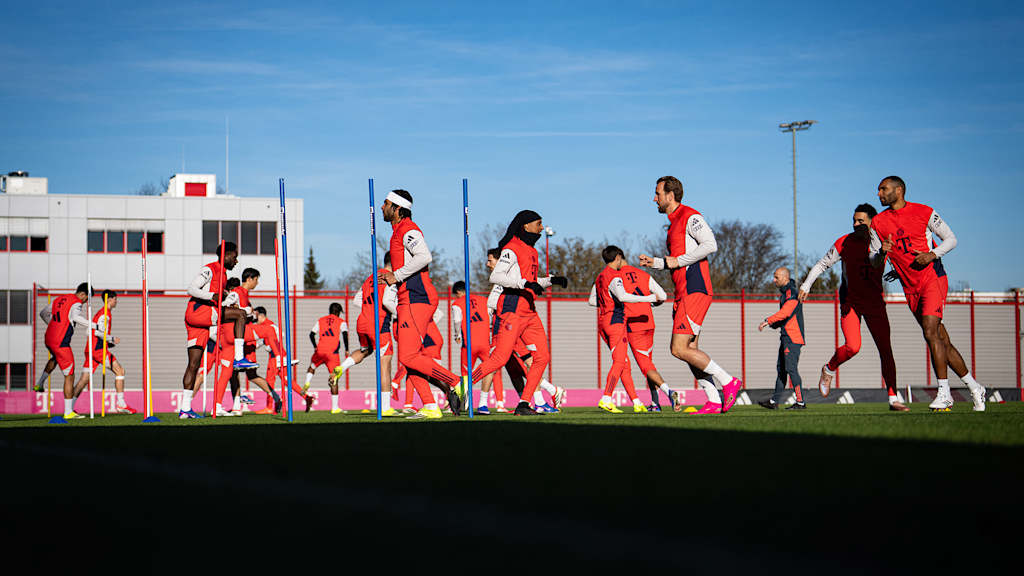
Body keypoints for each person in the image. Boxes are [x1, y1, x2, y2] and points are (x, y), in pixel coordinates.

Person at [869, 176, 985, 411]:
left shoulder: (924, 211)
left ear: (899, 190)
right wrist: (881, 253)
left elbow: (951, 239)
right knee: (941, 341)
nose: (879, 194)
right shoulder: (878, 223)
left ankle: (944, 393)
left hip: (933, 279)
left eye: (884, 189)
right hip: (910, 289)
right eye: (879, 190)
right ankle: (975, 387)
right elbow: (873, 260)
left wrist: (932, 254)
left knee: (930, 332)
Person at [639, 176, 743, 414]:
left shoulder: (691, 216)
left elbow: (710, 245)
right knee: (691, 351)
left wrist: (676, 260)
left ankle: (728, 382)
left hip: (694, 290)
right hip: (683, 293)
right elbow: (677, 261)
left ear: (670, 195)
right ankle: (714, 400)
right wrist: (656, 262)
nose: (654, 198)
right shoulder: (672, 225)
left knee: (678, 349)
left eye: (657, 193)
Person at [799, 204, 907, 411]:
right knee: (853, 347)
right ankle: (829, 369)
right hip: (851, 302)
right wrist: (806, 285)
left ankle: (893, 398)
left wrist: (896, 267)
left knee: (886, 350)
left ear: (872, 223)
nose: (856, 224)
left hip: (875, 303)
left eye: (861, 221)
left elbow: (879, 260)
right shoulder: (844, 242)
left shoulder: (881, 241)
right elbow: (822, 264)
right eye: (854, 220)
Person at [470, 210, 568, 415]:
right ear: (526, 225)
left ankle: (524, 403)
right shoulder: (511, 248)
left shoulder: (533, 251)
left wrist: (551, 281)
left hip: (529, 310)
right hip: (512, 308)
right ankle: (461, 386)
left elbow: (531, 281)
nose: (542, 228)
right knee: (500, 357)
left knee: (542, 357)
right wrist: (525, 283)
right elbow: (496, 276)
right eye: (539, 223)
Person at [378, 189, 462, 420]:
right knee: (410, 357)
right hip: (409, 298)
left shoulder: (408, 230)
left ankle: (455, 382)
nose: (381, 207)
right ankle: (430, 406)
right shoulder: (397, 232)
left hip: (418, 298)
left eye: (385, 204)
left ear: (397, 208)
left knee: (408, 357)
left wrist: (397, 275)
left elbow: (424, 256)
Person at [180, 242, 256, 419]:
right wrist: (213, 296)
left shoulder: (223, 276)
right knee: (240, 316)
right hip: (199, 311)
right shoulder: (210, 269)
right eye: (235, 257)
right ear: (227, 255)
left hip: (201, 319)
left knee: (194, 365)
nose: (236, 261)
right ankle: (238, 358)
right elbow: (191, 289)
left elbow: (218, 303)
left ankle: (185, 409)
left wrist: (225, 302)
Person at [484, 246, 564, 413]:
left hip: (507, 325)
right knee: (516, 369)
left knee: (502, 363)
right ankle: (538, 399)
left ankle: (472, 394)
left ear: (501, 261)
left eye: (490, 260)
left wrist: (550, 281)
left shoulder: (505, 280)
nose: (487, 263)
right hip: (508, 323)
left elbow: (492, 304)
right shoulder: (507, 279)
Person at [589, 245, 659, 413]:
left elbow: (592, 301)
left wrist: (607, 302)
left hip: (603, 323)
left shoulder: (600, 277)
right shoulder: (615, 276)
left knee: (624, 364)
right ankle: (606, 398)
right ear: (618, 257)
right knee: (620, 362)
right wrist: (648, 298)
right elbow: (622, 296)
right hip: (616, 322)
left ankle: (636, 402)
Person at [334, 252, 401, 416]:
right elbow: (386, 301)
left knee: (366, 349)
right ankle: (385, 408)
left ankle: (341, 367)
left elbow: (357, 300)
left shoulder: (370, 277)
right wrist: (399, 314)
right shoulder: (390, 278)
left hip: (362, 322)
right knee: (386, 363)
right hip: (378, 323)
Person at [618, 257, 679, 411]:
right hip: (649, 323)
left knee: (645, 366)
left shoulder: (616, 276)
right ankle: (655, 402)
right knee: (649, 364)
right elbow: (663, 296)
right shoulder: (643, 274)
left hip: (633, 325)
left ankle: (669, 392)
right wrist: (650, 302)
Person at [71, 290, 135, 414]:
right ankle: (121, 404)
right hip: (98, 350)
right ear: (110, 299)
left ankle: (69, 407)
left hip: (91, 349)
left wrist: (108, 342)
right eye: (115, 299)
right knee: (120, 371)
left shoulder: (102, 313)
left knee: (84, 380)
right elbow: (97, 332)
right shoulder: (105, 314)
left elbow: (90, 332)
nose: (116, 301)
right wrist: (111, 338)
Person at [40, 282, 92, 419]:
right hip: (61, 342)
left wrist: (53, 325)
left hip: (49, 338)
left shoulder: (59, 299)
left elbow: (43, 313)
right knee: (69, 375)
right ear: (82, 294)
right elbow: (76, 317)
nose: (86, 302)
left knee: (56, 358)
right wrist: (94, 325)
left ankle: (39, 383)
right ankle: (68, 412)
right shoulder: (76, 302)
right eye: (87, 299)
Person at [758, 268, 806, 410]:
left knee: (791, 369)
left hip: (792, 338)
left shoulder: (792, 292)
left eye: (776, 277)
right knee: (781, 370)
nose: (774, 280)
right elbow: (786, 317)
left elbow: (785, 313)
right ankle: (774, 402)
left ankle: (800, 402)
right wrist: (774, 324)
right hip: (786, 337)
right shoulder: (785, 293)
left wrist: (768, 320)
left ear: (785, 278)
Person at [451, 281, 498, 414]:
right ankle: (491, 403)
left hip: (469, 343)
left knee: (466, 373)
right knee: (490, 369)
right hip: (485, 342)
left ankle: (465, 402)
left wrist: (457, 334)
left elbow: (457, 320)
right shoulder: (484, 300)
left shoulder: (457, 303)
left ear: (459, 292)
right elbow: (490, 315)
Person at [252, 307, 310, 412]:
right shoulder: (267, 325)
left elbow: (279, 335)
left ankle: (269, 407)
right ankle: (306, 397)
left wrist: (270, 345)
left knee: (269, 381)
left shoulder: (269, 325)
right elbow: (263, 341)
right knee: (287, 381)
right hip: (282, 355)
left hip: (276, 357)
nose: (254, 318)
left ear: (261, 315)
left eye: (255, 315)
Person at [304, 302, 348, 414]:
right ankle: (335, 408)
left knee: (312, 367)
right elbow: (344, 335)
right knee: (334, 379)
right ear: (338, 312)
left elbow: (311, 334)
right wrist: (347, 349)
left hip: (320, 350)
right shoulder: (341, 322)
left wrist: (315, 346)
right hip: (332, 353)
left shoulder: (321, 320)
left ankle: (307, 382)